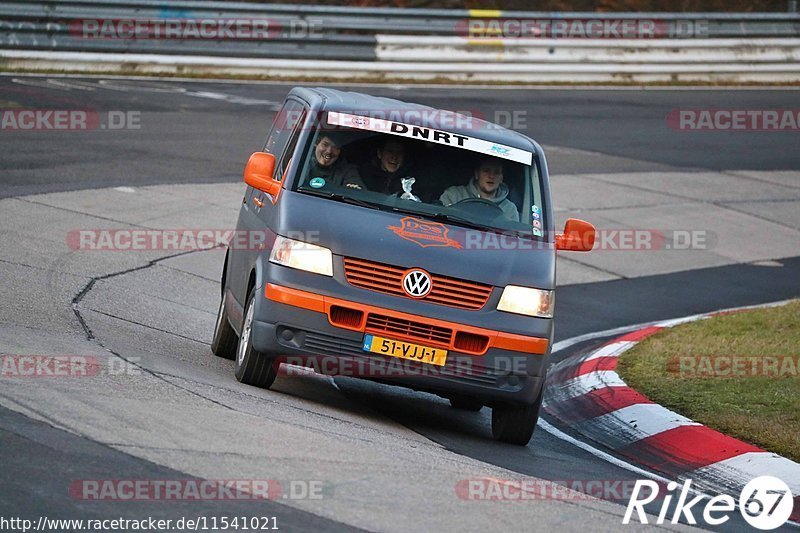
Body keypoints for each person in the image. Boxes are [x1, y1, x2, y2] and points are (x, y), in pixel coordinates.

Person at [439, 158, 519, 221]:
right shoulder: (453, 195)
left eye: (496, 172)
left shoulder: (510, 209)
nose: (491, 176)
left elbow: (512, 238)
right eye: (486, 171)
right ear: (477, 174)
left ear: (501, 178)